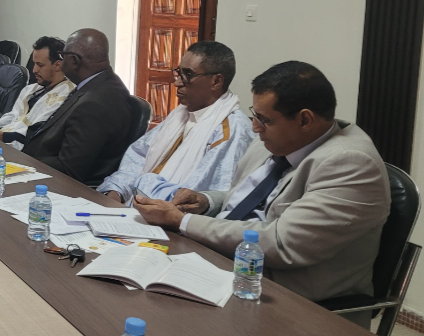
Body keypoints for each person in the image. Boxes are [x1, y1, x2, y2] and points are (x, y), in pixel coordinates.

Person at [132, 62, 389, 328]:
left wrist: (182, 221)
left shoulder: (350, 163)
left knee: (158, 318)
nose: (255, 127)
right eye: (255, 115)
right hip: (227, 266)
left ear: (305, 120)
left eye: (265, 120)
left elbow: (281, 243)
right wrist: (206, 201)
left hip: (290, 304)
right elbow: (247, 199)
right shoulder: (280, 138)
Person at [97, 41, 254, 203]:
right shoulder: (181, 114)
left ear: (216, 81)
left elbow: (197, 195)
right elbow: (139, 158)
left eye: (188, 75)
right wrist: (116, 191)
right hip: (135, 206)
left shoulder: (232, 130)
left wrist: (142, 188)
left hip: (169, 214)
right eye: (179, 73)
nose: (177, 82)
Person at [20, 29, 132, 185]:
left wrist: (24, 161)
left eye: (63, 56)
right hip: (41, 164)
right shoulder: (97, 84)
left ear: (74, 61)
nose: (61, 61)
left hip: (56, 183)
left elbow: (68, 169)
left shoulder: (96, 103)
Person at [0, 36, 74, 150]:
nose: (34, 70)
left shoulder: (67, 96)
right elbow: (14, 115)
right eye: (34, 64)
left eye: (40, 65)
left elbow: (39, 132)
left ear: (57, 65)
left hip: (26, 150)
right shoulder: (31, 89)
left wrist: (3, 136)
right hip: (2, 141)